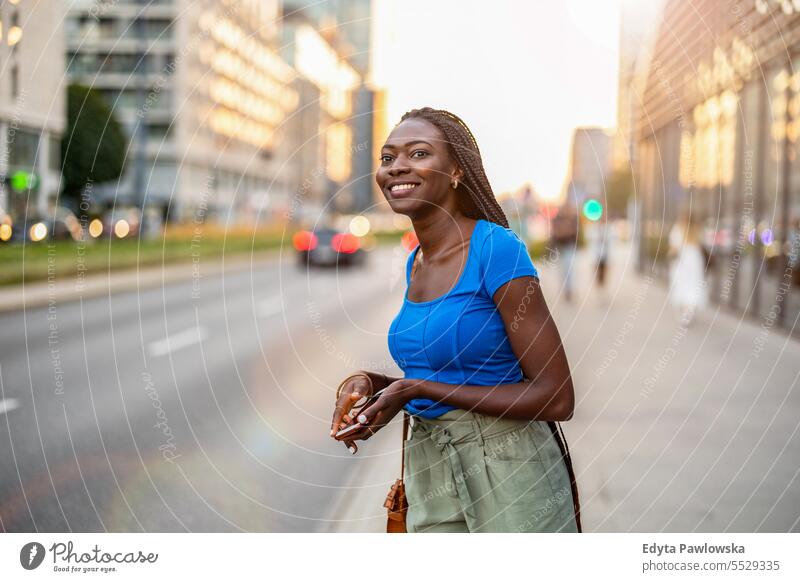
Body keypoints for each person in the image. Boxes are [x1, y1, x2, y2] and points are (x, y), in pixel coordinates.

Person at [329, 107, 580, 533]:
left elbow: (556, 398)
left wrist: (417, 388)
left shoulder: (496, 249)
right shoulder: (417, 262)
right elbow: (444, 371)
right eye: (387, 158)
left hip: (510, 471)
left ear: (457, 172)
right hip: (432, 471)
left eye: (419, 153)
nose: (397, 168)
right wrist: (378, 385)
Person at [668, 211, 708, 326]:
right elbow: (702, 245)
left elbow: (673, 248)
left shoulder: (677, 230)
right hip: (695, 260)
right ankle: (688, 312)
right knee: (693, 286)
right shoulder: (698, 230)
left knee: (682, 285)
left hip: (682, 260)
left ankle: (685, 312)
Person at [549, 202, 580, 302]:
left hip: (569, 247)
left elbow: (574, 231)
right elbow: (556, 232)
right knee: (562, 271)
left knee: (569, 269)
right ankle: (565, 290)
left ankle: (569, 291)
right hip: (559, 248)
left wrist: (564, 229)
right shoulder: (557, 218)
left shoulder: (573, 218)